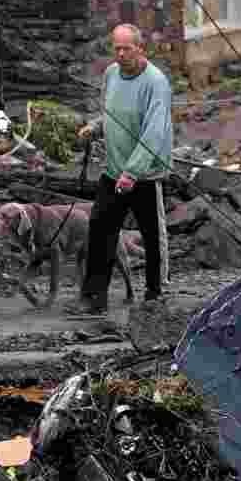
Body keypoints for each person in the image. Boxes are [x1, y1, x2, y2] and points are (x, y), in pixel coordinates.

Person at [65, 23, 173, 316]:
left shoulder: (156, 83)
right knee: (100, 230)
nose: (121, 53)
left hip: (145, 174)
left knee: (152, 236)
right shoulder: (111, 74)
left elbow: (154, 133)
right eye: (117, 48)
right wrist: (95, 127)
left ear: (141, 49)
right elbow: (111, 114)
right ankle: (94, 297)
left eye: (127, 48)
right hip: (113, 171)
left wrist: (132, 173)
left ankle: (155, 293)